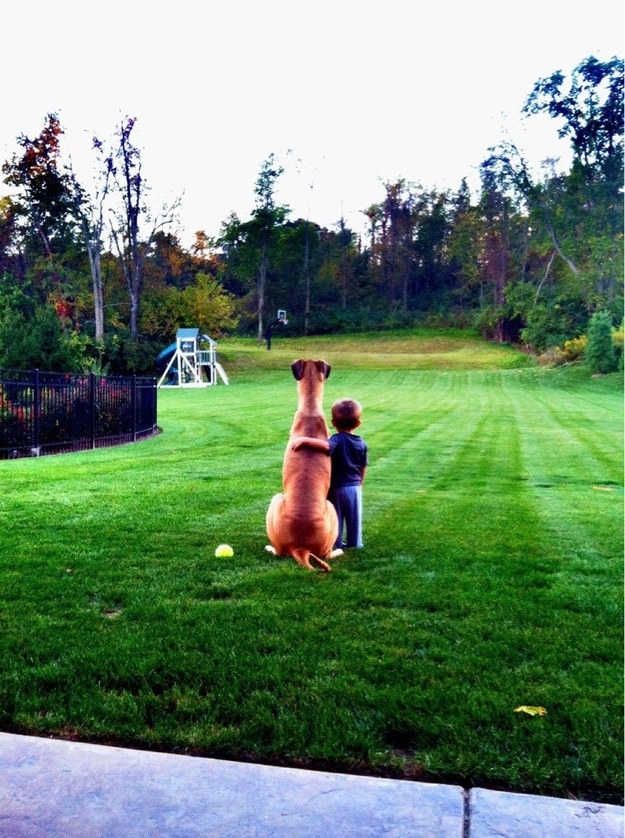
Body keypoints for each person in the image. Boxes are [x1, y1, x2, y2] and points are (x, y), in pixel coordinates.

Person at [290, 398, 368, 549]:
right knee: (354, 516)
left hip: (337, 487)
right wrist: (360, 482)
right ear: (358, 423)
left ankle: (336, 542)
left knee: (335, 516)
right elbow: (363, 466)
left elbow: (326, 446)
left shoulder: (337, 439)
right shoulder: (361, 443)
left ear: (333, 422)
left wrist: (305, 440)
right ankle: (355, 542)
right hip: (354, 487)